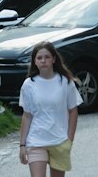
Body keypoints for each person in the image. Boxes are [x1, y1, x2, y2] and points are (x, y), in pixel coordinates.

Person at [20, 41, 81, 177]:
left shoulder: (65, 82)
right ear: (34, 61)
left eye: (47, 57)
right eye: (39, 58)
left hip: (59, 141)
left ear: (53, 59)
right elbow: (27, 116)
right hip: (36, 140)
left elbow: (73, 111)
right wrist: (22, 145)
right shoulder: (28, 85)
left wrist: (69, 140)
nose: (43, 61)